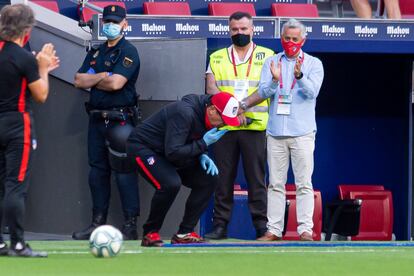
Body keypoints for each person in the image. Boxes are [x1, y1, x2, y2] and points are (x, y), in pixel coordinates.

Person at [240, 18, 324, 241]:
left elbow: (312, 92)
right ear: (281, 38)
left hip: (302, 132)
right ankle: (274, 230)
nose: (290, 42)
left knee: (303, 183)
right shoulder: (272, 61)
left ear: (303, 40)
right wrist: (275, 80)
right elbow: (264, 91)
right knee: (275, 184)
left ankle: (305, 229)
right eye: (287, 38)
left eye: (295, 39)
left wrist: (299, 76)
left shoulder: (314, 64)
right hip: (276, 132)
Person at [126, 92, 240, 246]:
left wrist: (202, 154)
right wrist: (202, 145)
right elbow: (173, 153)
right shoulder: (184, 112)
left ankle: (184, 233)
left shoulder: (206, 115)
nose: (222, 124)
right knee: (170, 183)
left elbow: (188, 140)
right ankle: (150, 233)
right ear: (212, 109)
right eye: (222, 119)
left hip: (168, 151)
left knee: (208, 179)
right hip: (144, 148)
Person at [72, 4, 140, 241]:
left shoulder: (128, 51)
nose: (110, 26)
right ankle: (96, 223)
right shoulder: (96, 52)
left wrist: (96, 78)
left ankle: (130, 225)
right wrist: (102, 76)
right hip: (96, 119)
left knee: (124, 172)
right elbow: (79, 80)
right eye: (107, 21)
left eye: (115, 22)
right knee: (97, 172)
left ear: (125, 24)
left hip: (120, 120)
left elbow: (116, 84)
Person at [204, 11, 274, 240]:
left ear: (252, 29)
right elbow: (211, 90)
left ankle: (262, 227)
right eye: (235, 29)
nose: (239, 33)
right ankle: (220, 225)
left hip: (255, 126)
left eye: (244, 29)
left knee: (257, 179)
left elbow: (267, 88)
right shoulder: (217, 57)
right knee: (222, 179)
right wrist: (233, 113)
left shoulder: (268, 55)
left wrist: (240, 108)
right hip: (225, 128)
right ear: (229, 29)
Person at [0, 3, 59, 257]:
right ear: (27, 29)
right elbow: (41, 94)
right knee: (15, 185)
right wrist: (42, 67)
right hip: (17, 125)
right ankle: (18, 243)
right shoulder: (24, 57)